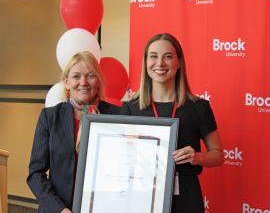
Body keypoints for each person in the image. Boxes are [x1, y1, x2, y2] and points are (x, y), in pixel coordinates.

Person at [120, 33, 224, 213]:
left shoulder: (199, 107)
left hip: (186, 198)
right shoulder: (130, 108)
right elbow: (122, 157)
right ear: (146, 63)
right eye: (153, 56)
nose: (159, 63)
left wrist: (198, 157)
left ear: (179, 63)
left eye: (167, 56)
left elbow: (218, 155)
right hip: (142, 196)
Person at [27, 51, 120, 213]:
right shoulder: (49, 117)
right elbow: (35, 174)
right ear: (66, 82)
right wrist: (60, 209)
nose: (83, 82)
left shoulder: (118, 115)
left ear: (98, 80)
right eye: (76, 76)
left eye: (90, 75)